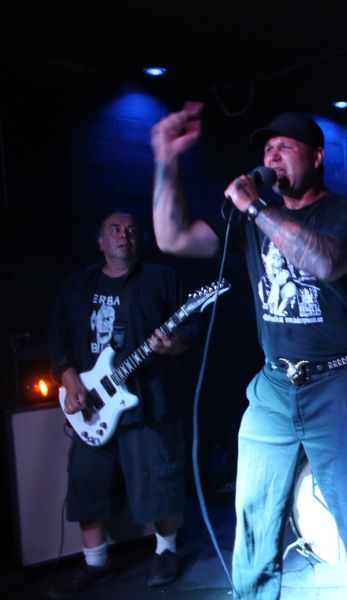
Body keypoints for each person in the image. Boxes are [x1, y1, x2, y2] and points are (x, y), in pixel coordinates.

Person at [149, 102, 347, 599]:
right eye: (267, 149)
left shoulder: (343, 213)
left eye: (285, 147)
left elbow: (326, 264)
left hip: (335, 383)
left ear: (317, 156)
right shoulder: (250, 221)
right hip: (272, 385)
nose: (272, 157)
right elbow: (172, 237)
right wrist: (166, 159)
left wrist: (256, 207)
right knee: (254, 515)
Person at [47, 211, 191, 597]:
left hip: (149, 403)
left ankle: (166, 552)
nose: (123, 235)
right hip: (92, 406)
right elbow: (58, 341)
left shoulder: (162, 279)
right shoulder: (77, 286)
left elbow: (190, 334)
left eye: (131, 230)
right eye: (114, 229)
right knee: (87, 484)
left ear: (140, 239)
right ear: (100, 241)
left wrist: (172, 345)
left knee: (158, 479)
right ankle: (95, 563)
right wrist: (70, 382)